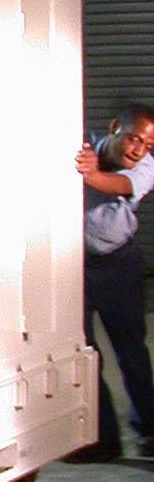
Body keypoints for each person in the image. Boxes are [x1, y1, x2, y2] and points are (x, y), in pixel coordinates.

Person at [76, 107, 154, 458]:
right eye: (134, 138)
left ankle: (149, 429)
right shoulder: (85, 145)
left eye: (148, 144)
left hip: (119, 264)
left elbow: (117, 184)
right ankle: (103, 439)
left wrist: (89, 174)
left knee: (131, 350)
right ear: (114, 128)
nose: (139, 149)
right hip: (75, 266)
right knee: (87, 353)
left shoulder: (146, 168)